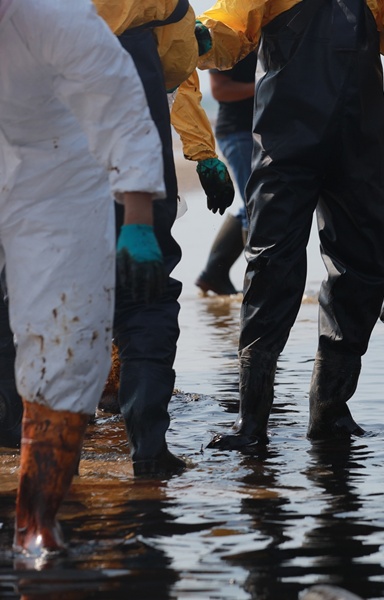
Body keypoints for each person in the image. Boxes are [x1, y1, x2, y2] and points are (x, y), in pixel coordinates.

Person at [194, 0, 384, 449]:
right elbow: (234, 23)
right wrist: (205, 38)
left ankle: (331, 409)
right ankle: (252, 423)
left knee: (362, 266)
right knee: (271, 264)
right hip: (286, 136)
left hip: (359, 136)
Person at [0, 0, 165, 555]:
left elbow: (118, 100)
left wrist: (138, 217)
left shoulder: (51, 14)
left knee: (65, 344)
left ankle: (37, 523)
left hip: (57, 174)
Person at [93, 0, 234, 477]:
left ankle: (19, 443)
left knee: (29, 297)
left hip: (33, 153)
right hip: (134, 128)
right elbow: (177, 62)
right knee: (145, 298)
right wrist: (200, 149)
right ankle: (148, 447)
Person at [195, 51, 258, 296]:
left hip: (265, 132)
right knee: (254, 206)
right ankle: (255, 284)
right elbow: (220, 91)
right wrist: (264, 83)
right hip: (236, 133)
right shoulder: (228, 33)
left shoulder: (272, 32)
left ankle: (213, 274)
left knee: (251, 205)